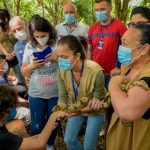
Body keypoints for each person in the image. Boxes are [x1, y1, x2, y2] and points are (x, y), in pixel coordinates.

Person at [89, 23, 150, 150]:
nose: (121, 48)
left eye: (125, 43)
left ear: (144, 49)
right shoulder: (127, 67)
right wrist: (99, 104)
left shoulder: (148, 76)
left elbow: (127, 111)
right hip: (117, 139)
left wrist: (113, 84)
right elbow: (117, 100)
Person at [56, 35, 106, 150]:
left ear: (77, 56)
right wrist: (61, 109)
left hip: (95, 111)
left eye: (64, 57)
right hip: (75, 108)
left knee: (88, 146)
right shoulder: (62, 71)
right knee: (69, 140)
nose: (60, 61)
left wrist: (75, 112)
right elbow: (62, 95)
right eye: (58, 57)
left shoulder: (96, 71)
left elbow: (96, 103)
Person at [21, 16, 58, 150]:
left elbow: (70, 64)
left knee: (53, 122)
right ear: (32, 35)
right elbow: (23, 71)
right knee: (37, 124)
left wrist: (58, 56)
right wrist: (31, 66)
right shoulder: (29, 46)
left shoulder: (57, 43)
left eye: (44, 35)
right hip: (36, 94)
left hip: (55, 93)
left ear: (49, 32)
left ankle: (49, 144)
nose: (40, 38)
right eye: (37, 36)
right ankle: (35, 146)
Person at [0, 84, 67, 150]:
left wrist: (48, 129)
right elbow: (39, 143)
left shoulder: (3, 131)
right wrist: (54, 115)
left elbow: (36, 139)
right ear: (8, 110)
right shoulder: (4, 138)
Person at [87, 0, 127, 89]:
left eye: (102, 9)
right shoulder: (92, 28)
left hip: (113, 73)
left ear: (110, 8)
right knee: (96, 100)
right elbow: (89, 49)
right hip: (96, 72)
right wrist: (88, 67)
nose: (99, 12)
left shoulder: (120, 26)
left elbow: (125, 50)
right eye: (96, 10)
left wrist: (119, 67)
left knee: (111, 100)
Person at [111, 6, 150, 77]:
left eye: (140, 24)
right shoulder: (129, 48)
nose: (135, 28)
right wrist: (118, 68)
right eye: (132, 24)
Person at [0, 9, 25, 85]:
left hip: (16, 55)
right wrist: (7, 54)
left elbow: (21, 40)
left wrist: (14, 53)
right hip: (4, 57)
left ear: (6, 17)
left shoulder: (14, 26)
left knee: (21, 78)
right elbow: (0, 44)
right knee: (3, 79)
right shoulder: (0, 28)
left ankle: (24, 93)